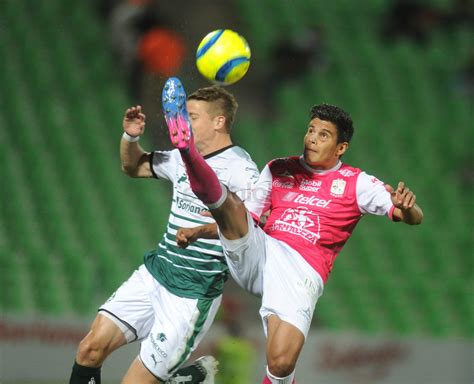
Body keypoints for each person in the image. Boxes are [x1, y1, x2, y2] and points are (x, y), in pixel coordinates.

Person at [163, 78, 424, 384]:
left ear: (341, 147)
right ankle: (187, 150)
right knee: (232, 204)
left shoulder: (357, 183)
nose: (312, 138)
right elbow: (249, 220)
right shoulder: (278, 168)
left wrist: (407, 208)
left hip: (301, 270)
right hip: (260, 253)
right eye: (311, 130)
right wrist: (200, 231)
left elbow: (413, 218)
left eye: (323, 134)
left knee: (281, 364)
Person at [68, 80, 260, 384]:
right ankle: (183, 379)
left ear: (219, 121)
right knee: (89, 349)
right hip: (155, 273)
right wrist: (130, 137)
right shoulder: (181, 157)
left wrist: (199, 231)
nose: (183, 123)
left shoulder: (242, 170)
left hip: (191, 295)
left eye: (192, 117)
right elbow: (133, 167)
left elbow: (248, 228)